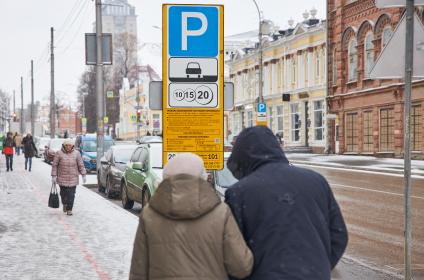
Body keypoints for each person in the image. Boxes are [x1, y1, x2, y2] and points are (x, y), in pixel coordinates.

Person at [225, 126, 348, 280]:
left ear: (242, 156)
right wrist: (320, 266)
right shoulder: (316, 181)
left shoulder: (239, 192)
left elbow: (234, 252)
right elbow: (338, 235)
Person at [130, 153, 253, 280]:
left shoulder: (149, 216)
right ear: (204, 178)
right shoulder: (221, 213)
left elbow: (138, 272)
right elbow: (241, 268)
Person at [51, 139, 87, 216]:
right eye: (66, 145)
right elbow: (55, 165)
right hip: (62, 178)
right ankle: (64, 204)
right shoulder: (59, 153)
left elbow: (81, 165)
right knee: (63, 194)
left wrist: (83, 174)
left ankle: (69, 209)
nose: (68, 147)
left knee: (71, 195)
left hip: (73, 178)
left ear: (72, 146)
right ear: (63, 146)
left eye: (69, 145)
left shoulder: (77, 154)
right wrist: (54, 176)